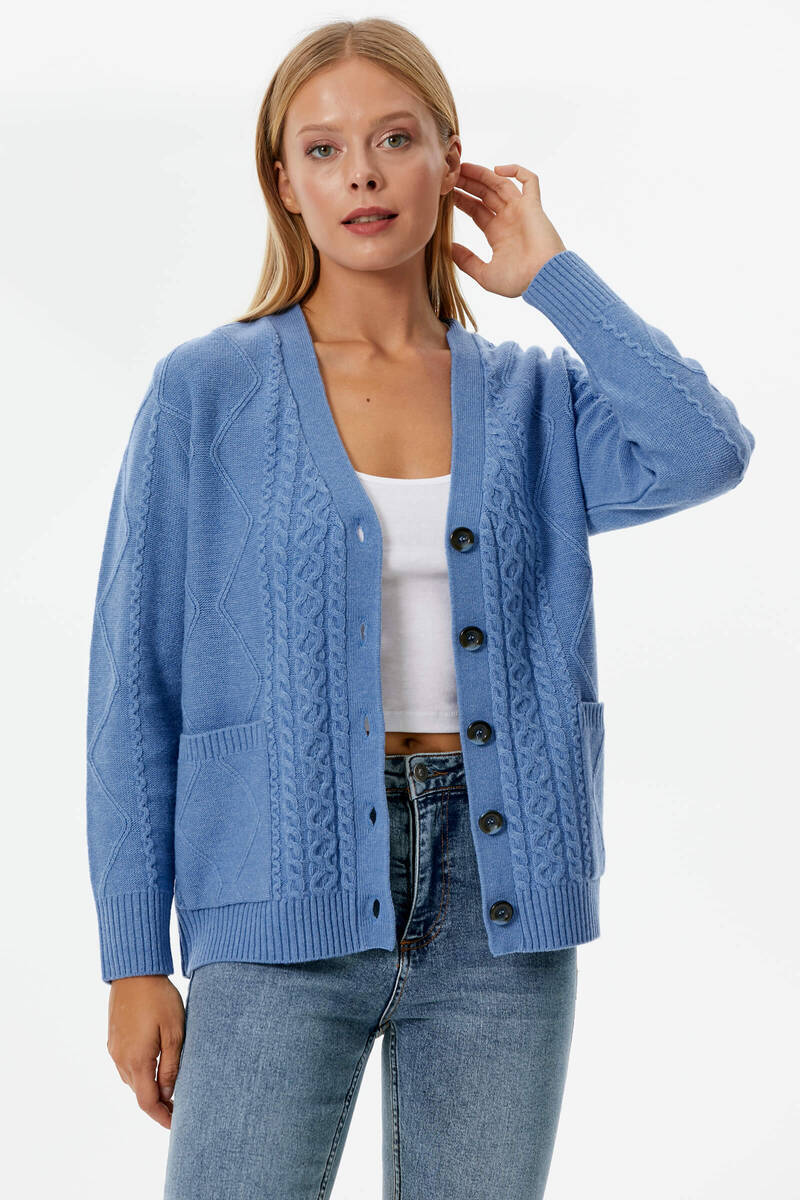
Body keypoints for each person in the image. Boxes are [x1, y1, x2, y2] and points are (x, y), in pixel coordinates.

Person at [85, 18, 756, 1200]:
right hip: (273, 895)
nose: (361, 174)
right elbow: (131, 688)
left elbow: (702, 451)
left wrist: (552, 277)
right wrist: (134, 956)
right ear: (283, 183)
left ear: (451, 161)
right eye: (323, 149)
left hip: (500, 903)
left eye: (394, 140)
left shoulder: (532, 400)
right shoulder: (207, 392)